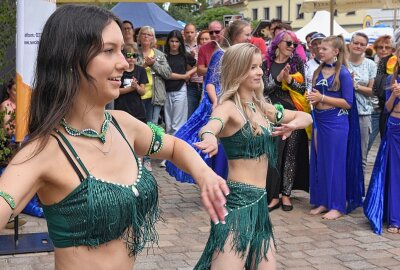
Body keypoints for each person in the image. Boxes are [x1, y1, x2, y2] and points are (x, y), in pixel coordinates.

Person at [0, 5, 229, 269]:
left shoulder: (123, 126)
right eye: (109, 51)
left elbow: (175, 146)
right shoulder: (43, 152)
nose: (123, 62)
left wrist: (204, 174)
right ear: (70, 60)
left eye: (122, 50)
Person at [193, 43, 312, 270]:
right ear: (237, 70)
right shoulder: (228, 107)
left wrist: (293, 124)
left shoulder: (261, 107)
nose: (259, 72)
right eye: (252, 67)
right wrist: (209, 138)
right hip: (237, 203)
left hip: (260, 204)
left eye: (259, 67)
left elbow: (306, 117)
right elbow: (211, 126)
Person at [166, 20, 252, 184]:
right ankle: (218, 181)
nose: (250, 38)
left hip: (238, 103)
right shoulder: (220, 54)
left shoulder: (245, 54)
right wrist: (216, 102)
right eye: (246, 34)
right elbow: (211, 83)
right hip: (217, 103)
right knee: (217, 145)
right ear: (235, 35)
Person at [307, 35, 363, 220]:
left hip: (336, 123)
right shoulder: (317, 71)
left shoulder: (344, 73)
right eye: (319, 48)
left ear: (336, 52)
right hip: (319, 120)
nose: (319, 51)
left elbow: (348, 102)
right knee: (320, 161)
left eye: (324, 49)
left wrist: (321, 98)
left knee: (335, 164)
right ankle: (323, 201)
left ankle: (337, 205)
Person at [263, 30, 310, 212]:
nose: (291, 47)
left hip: (294, 113)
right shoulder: (266, 64)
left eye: (294, 44)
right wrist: (277, 79)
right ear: (277, 44)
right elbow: (263, 90)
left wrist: (289, 80)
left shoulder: (297, 63)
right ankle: (273, 195)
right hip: (272, 113)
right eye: (288, 43)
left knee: (290, 154)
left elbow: (302, 88)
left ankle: (286, 194)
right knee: (274, 154)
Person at [364, 45, 400, 235]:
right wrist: (394, 94)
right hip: (394, 127)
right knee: (394, 173)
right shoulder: (390, 79)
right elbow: (386, 108)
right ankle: (394, 218)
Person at [136, 26, 172, 171]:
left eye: (149, 35)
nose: (146, 37)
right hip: (137, 95)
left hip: (155, 96)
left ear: (153, 39)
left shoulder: (159, 54)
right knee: (138, 126)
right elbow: (128, 70)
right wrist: (144, 65)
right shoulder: (134, 53)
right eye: (143, 34)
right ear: (139, 37)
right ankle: (137, 157)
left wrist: (154, 64)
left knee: (152, 127)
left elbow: (167, 73)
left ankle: (148, 159)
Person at [161, 30, 197, 167]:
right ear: (168, 42)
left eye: (176, 41)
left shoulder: (185, 56)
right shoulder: (164, 57)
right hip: (167, 91)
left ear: (180, 43)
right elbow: (167, 74)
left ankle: (174, 156)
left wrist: (188, 73)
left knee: (177, 124)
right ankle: (169, 153)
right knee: (169, 125)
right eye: (172, 41)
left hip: (180, 91)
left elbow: (197, 67)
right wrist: (183, 76)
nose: (174, 44)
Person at [347, 32, 377, 173]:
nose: (358, 46)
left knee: (361, 155)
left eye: (362, 44)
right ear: (350, 44)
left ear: (366, 47)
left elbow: (372, 91)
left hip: (363, 114)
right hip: (343, 113)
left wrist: (356, 86)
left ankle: (359, 193)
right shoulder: (341, 62)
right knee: (344, 153)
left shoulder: (370, 64)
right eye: (356, 43)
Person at [370, 34, 396, 149]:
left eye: (387, 47)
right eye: (381, 47)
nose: (384, 50)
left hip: (387, 108)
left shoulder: (393, 62)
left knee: (386, 142)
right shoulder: (375, 62)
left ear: (392, 49)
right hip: (374, 108)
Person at [115, 43, 148, 123]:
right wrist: (131, 88)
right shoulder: (119, 70)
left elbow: (143, 92)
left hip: (138, 110)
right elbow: (116, 91)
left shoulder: (141, 70)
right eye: (129, 55)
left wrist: (136, 86)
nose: (132, 58)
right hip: (121, 109)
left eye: (134, 55)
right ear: (124, 56)